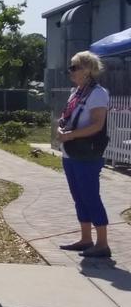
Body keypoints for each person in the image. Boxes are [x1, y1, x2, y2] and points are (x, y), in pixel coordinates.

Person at [57, 51, 111, 259]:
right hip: (70, 153)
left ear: (87, 70)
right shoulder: (77, 91)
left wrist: (71, 136)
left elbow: (97, 124)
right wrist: (62, 131)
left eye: (74, 67)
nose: (70, 71)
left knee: (90, 196)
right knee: (78, 197)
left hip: (86, 153)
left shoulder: (98, 93)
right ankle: (86, 238)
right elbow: (67, 116)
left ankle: (103, 243)